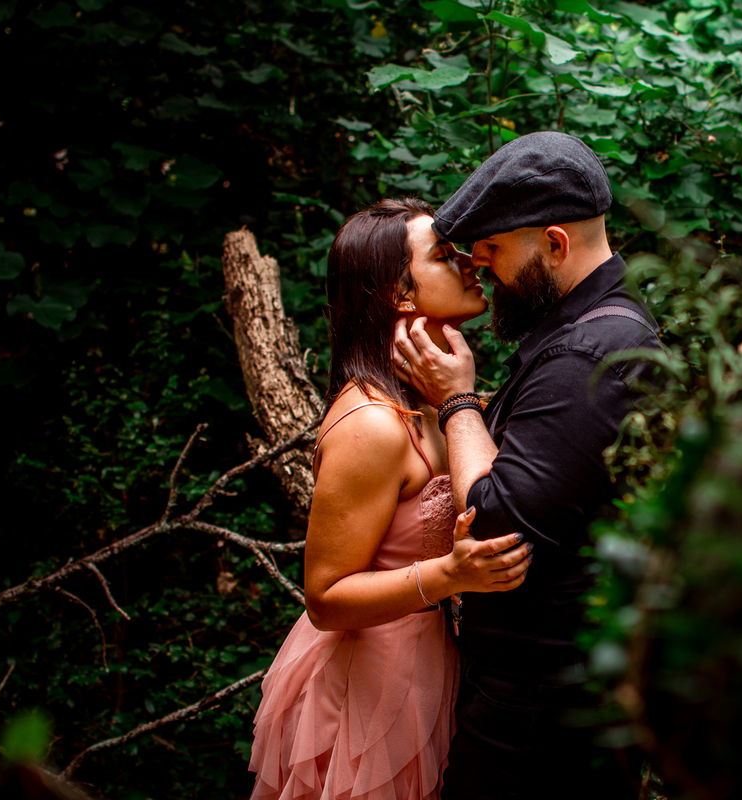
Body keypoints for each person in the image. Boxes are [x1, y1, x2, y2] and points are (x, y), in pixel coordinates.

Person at [393, 132, 661, 800]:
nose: (479, 264)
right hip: (547, 695)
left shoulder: (587, 355)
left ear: (555, 244)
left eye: (492, 248)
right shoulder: (594, 329)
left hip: (540, 718)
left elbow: (494, 522)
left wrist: (456, 400)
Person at [248, 198, 534, 800]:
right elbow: (325, 598)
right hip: (369, 690)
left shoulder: (435, 398)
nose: (470, 262)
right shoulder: (373, 424)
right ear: (400, 295)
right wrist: (451, 574)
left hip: (431, 667)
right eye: (444, 255)